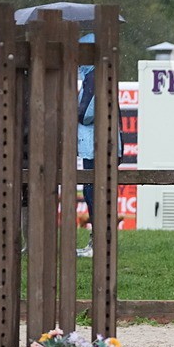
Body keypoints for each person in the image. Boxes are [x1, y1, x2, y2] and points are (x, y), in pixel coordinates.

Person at [77, 33, 97, 257]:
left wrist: (72, 110)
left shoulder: (93, 78)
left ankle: (96, 243)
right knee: (92, 192)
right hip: (93, 145)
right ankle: (97, 241)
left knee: (93, 193)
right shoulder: (92, 77)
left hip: (94, 146)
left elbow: (86, 113)